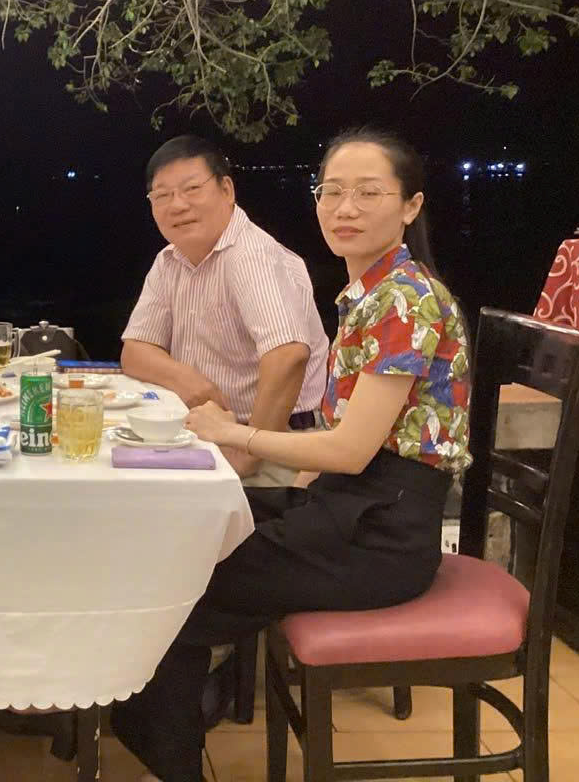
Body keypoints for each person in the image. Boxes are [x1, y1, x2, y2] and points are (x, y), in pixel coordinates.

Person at [110, 128, 472, 782]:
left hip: (380, 538)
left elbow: (351, 450)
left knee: (174, 593)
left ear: (411, 205)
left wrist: (236, 436)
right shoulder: (369, 293)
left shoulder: (405, 299)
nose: (344, 208)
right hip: (350, 508)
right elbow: (342, 446)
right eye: (331, 192)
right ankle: (169, 727)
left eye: (368, 193)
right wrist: (281, 493)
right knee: (180, 552)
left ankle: (168, 752)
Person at [121, 135, 330, 486]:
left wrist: (248, 451)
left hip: (277, 446)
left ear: (227, 190)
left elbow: (288, 355)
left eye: (192, 189)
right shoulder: (169, 260)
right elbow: (135, 352)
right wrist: (187, 380)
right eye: (162, 195)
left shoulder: (250, 255)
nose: (177, 205)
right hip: (206, 434)